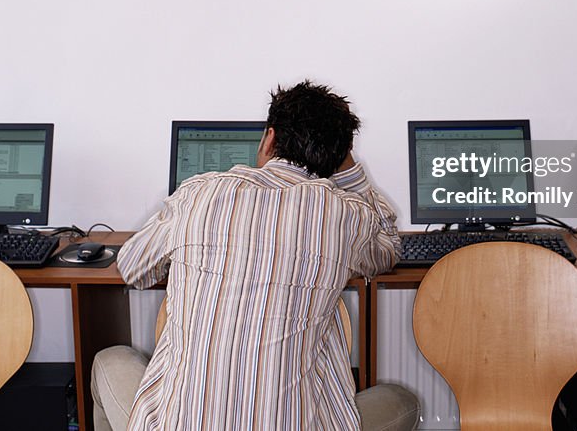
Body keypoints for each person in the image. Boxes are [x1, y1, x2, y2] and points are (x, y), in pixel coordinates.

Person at [91, 81, 418, 430]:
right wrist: (350, 172)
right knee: (403, 401)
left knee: (108, 360)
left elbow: (131, 267)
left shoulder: (197, 194)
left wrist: (186, 255)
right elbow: (388, 250)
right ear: (336, 159)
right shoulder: (345, 216)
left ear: (269, 139)